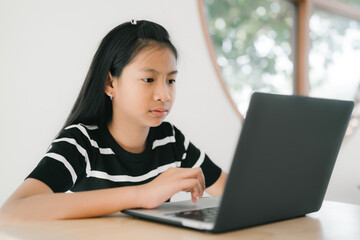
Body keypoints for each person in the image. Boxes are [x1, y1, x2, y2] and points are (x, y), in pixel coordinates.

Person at [0, 20, 227, 223]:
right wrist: (143, 194)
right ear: (110, 83)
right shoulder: (81, 142)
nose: (164, 95)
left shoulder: (170, 139)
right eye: (149, 79)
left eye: (171, 80)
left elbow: (234, 194)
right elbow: (13, 210)